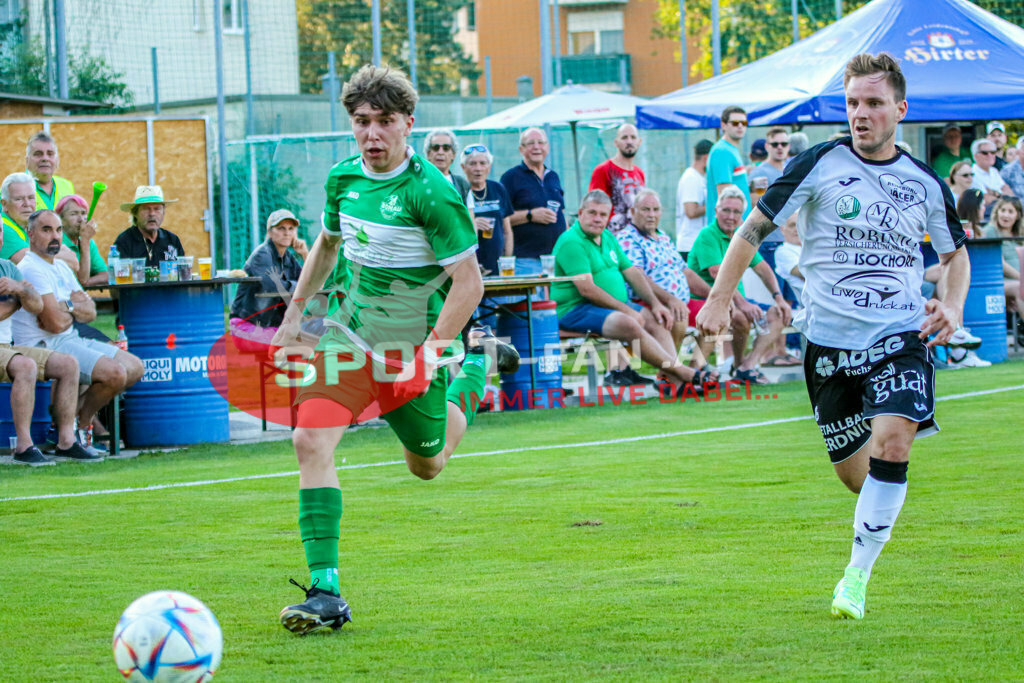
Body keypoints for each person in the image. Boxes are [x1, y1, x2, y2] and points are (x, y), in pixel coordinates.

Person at [697, 52, 971, 621]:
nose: (860, 114)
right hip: (827, 346)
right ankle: (875, 510)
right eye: (852, 103)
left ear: (899, 108)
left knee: (895, 443)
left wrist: (951, 303)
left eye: (873, 103)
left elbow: (955, 253)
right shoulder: (818, 163)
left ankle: (855, 578)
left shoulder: (923, 182)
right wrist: (719, 297)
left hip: (899, 333)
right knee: (858, 477)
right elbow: (753, 227)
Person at [269, 64, 519, 635]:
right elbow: (327, 246)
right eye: (361, 122)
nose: (372, 133)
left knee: (427, 466)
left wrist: (432, 354)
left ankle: (478, 366)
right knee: (309, 439)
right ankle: (326, 591)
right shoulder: (341, 179)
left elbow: (470, 283)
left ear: (409, 124)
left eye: (384, 122)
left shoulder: (432, 191)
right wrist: (294, 315)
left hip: (416, 352)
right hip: (349, 338)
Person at [551, 190, 713, 391]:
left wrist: (655, 304)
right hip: (576, 310)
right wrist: (627, 310)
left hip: (608, 307)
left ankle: (676, 384)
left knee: (658, 319)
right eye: (592, 213)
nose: (597, 219)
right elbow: (588, 290)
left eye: (603, 215)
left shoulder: (607, 236)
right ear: (581, 212)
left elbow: (632, 273)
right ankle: (684, 373)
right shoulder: (571, 242)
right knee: (627, 322)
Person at [11, 210, 144, 453]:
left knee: (135, 368)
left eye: (59, 230)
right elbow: (52, 323)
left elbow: (91, 310)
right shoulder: (31, 267)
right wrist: (72, 309)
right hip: (45, 344)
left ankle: (75, 424)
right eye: (46, 230)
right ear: (30, 234)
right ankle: (73, 431)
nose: (55, 236)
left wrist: (67, 307)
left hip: (70, 337)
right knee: (115, 373)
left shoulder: (61, 267)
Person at [0, 221, 94, 466]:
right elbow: (9, 308)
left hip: (6, 347)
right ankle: (23, 446)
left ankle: (66, 441)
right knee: (25, 366)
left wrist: (19, 288)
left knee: (68, 364)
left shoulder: (8, 268)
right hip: (6, 350)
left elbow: (36, 305)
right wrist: (17, 300)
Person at [688, 185, 792, 385]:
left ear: (742, 215)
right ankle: (696, 370)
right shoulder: (707, 235)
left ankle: (746, 366)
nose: (730, 216)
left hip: (737, 300)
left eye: (736, 212)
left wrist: (779, 299)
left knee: (779, 313)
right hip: (708, 300)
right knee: (738, 316)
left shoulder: (742, 235)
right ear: (716, 211)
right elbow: (717, 273)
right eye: (726, 210)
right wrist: (743, 304)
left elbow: (763, 269)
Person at [616, 188, 712, 361]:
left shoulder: (663, 237)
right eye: (645, 209)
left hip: (679, 302)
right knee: (677, 314)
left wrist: (714, 296)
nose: (651, 215)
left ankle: (695, 370)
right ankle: (670, 374)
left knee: (715, 314)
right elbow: (638, 276)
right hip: (647, 302)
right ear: (632, 212)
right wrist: (670, 299)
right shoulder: (628, 238)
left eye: (655, 210)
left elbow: (686, 272)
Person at [230, 209, 309, 352]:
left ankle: (295, 373)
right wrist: (300, 286)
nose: (287, 233)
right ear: (270, 232)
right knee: (303, 342)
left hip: (270, 328)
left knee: (314, 337)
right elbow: (275, 288)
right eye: (281, 228)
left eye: (291, 229)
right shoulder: (262, 255)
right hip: (246, 329)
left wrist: (304, 254)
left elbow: (310, 282)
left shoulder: (288, 258)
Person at [500, 127, 567, 275]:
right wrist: (530, 215)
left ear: (547, 147)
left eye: (541, 142)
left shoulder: (553, 176)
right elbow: (501, 220)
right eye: (530, 143)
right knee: (534, 299)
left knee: (555, 299)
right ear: (521, 149)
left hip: (556, 258)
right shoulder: (510, 178)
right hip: (526, 260)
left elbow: (562, 214)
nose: (536, 147)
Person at [461, 144, 513, 277]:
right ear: (463, 167)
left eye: (483, 163)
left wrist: (507, 260)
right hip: (470, 268)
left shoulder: (498, 189)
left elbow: (507, 231)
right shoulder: (459, 191)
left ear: (489, 167)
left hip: (498, 267)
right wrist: (472, 224)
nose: (478, 169)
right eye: (472, 164)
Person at [588, 123, 645, 234]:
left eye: (633, 137)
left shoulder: (639, 173)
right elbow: (593, 207)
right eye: (624, 137)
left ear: (639, 142)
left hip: (636, 237)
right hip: (612, 236)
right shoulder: (603, 170)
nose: (629, 141)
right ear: (616, 142)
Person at [113, 185, 186, 268]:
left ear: (163, 213)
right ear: (135, 213)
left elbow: (183, 273)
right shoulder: (124, 241)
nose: (152, 214)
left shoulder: (172, 240)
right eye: (146, 209)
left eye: (157, 209)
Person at [980, 196, 1023, 324]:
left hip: (1018, 281)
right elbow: (1000, 263)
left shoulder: (1019, 234)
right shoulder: (991, 231)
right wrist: (1021, 279)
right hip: (1000, 282)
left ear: (1018, 215)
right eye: (1003, 210)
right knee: (1020, 288)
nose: (1006, 215)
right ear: (996, 212)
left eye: (1010, 212)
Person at [706, 106, 751, 218]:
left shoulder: (731, 149)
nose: (740, 126)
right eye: (735, 123)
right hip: (729, 227)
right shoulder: (722, 151)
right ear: (723, 125)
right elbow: (725, 195)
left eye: (744, 122)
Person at [748, 127, 790, 245]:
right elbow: (754, 205)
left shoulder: (790, 170)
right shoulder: (760, 173)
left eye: (784, 144)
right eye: (775, 144)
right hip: (769, 240)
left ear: (789, 146)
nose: (780, 147)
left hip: (789, 238)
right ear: (767, 147)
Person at [57, 194, 108, 286]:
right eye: (74, 214)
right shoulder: (57, 243)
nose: (81, 219)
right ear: (60, 220)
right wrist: (85, 241)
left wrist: (87, 282)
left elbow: (105, 274)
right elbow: (80, 279)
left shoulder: (88, 242)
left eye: (83, 213)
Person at [675, 139, 713, 255]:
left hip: (699, 243)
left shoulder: (701, 178)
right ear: (706, 158)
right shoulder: (691, 178)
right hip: (690, 245)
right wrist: (716, 205)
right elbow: (691, 211)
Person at [25, 131, 75, 212]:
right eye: (38, 154)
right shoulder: (13, 188)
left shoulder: (67, 186)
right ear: (27, 161)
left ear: (57, 160)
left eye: (50, 154)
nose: (45, 158)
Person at [423, 129, 470, 202]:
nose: (440, 152)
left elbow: (469, 212)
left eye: (446, 148)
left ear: (453, 154)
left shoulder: (463, 185)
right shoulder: (418, 182)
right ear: (428, 154)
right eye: (435, 148)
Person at [1, 172, 37, 263]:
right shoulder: (3, 229)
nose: (27, 204)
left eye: (31, 198)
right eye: (19, 199)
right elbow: (34, 263)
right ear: (4, 204)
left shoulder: (28, 226)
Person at [970, 138, 1012, 215]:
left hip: (1001, 213)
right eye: (985, 153)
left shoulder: (994, 171)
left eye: (993, 152)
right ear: (975, 156)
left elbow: (1009, 193)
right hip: (984, 216)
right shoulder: (971, 174)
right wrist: (1000, 194)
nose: (990, 155)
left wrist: (994, 193)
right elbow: (986, 200)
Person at [773, 213, 804, 301]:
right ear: (782, 229)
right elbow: (803, 271)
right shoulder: (783, 251)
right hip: (803, 304)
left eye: (800, 225)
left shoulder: (810, 249)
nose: (797, 229)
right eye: (792, 225)